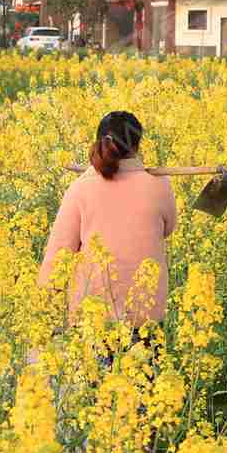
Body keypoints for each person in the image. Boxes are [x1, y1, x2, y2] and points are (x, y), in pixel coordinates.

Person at [38, 111, 178, 327]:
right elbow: (168, 228)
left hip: (93, 314)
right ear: (137, 146)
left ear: (100, 143)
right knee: (146, 362)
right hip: (146, 313)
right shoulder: (160, 185)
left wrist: (46, 306)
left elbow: (60, 252)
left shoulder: (80, 189)